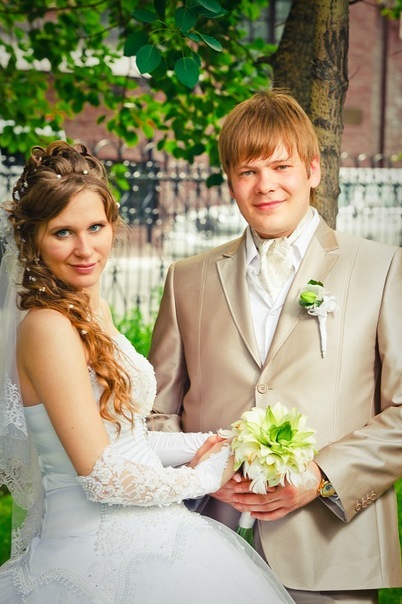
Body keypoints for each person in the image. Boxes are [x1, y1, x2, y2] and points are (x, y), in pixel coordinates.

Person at [0, 141, 295, 603]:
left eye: (95, 227)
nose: (84, 249)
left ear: (113, 225)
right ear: (33, 239)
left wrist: (222, 442)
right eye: (62, 232)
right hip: (90, 557)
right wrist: (204, 477)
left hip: (150, 532)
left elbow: (127, 440)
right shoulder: (47, 327)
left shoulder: (92, 313)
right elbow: (102, 475)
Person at [148, 90, 402, 603]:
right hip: (205, 546)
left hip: (331, 549)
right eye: (248, 171)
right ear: (230, 182)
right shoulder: (187, 279)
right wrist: (200, 475)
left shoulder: (381, 268)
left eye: (281, 166)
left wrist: (322, 478)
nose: (265, 185)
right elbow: (155, 414)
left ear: (313, 170)